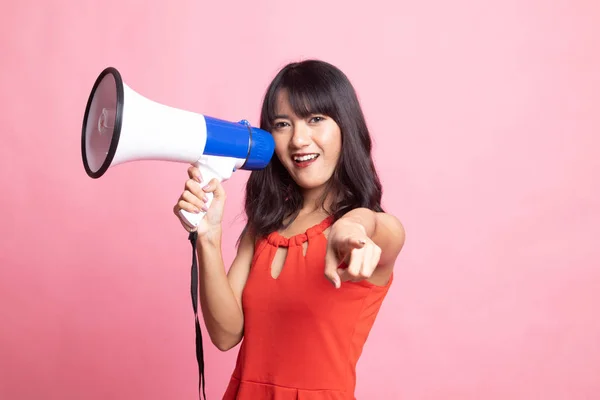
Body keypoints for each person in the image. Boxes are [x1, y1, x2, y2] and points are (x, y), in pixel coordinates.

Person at [173, 59, 406, 399]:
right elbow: (226, 335)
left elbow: (377, 226)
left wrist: (350, 227)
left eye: (315, 119)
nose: (299, 139)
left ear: (345, 126)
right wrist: (208, 237)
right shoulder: (264, 227)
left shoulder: (371, 229)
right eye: (283, 124)